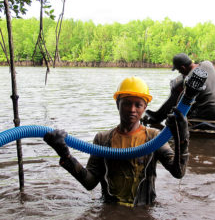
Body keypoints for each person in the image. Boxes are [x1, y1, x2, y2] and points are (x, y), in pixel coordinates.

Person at [43, 76, 190, 207]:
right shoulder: (103, 139)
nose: (132, 109)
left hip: (143, 208)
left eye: (138, 105)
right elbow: (89, 182)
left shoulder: (154, 137)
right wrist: (65, 155)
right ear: (117, 104)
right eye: (126, 103)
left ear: (145, 107)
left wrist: (182, 138)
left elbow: (178, 172)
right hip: (110, 209)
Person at [146, 53, 215, 125]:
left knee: (180, 120)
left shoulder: (189, 81)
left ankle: (158, 118)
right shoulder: (207, 64)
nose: (179, 73)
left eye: (179, 70)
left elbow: (183, 102)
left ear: (183, 68)